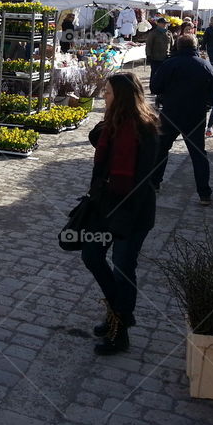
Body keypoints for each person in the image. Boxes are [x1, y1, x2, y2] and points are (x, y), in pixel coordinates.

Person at [80, 72, 159, 356]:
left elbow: (144, 175)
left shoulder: (145, 129)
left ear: (123, 97)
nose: (105, 96)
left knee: (123, 267)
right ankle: (120, 312)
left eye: (109, 93)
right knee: (91, 255)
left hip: (133, 209)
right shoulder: (113, 124)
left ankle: (120, 331)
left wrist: (121, 207)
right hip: (106, 205)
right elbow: (94, 138)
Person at [150, 34, 213, 205]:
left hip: (171, 112)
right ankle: (204, 193)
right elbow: (212, 93)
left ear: (178, 46)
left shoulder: (169, 64)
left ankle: (154, 184)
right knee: (198, 154)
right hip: (195, 115)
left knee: (161, 149)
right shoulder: (205, 65)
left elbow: (154, 86)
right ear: (195, 46)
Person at [144, 16, 174, 83]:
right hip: (155, 57)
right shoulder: (153, 33)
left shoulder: (169, 33)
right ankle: (153, 87)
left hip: (166, 57)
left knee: (165, 74)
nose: (164, 25)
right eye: (163, 23)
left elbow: (172, 45)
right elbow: (149, 45)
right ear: (158, 24)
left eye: (166, 23)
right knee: (155, 74)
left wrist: (172, 54)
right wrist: (148, 55)